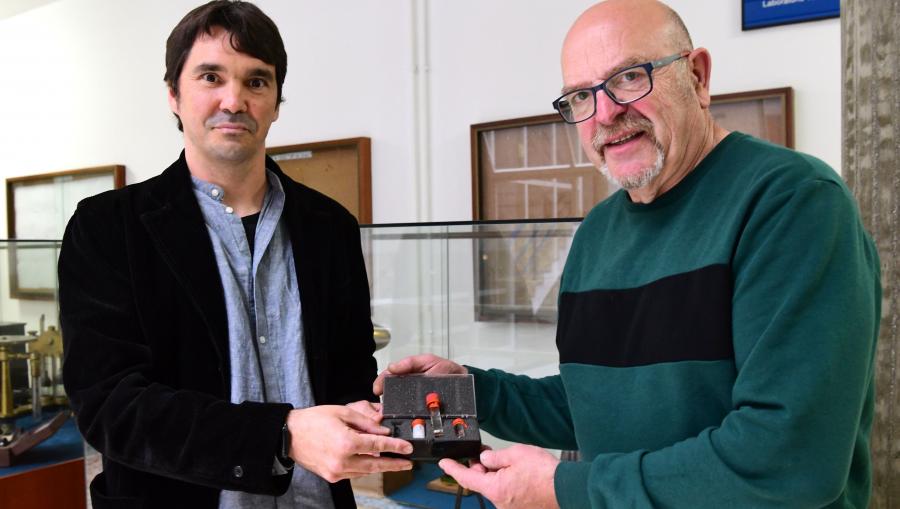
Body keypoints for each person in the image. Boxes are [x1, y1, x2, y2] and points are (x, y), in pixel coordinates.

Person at [374, 0, 881, 508]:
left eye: (630, 77)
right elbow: (595, 407)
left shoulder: (791, 203)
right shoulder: (597, 233)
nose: (607, 112)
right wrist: (475, 392)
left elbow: (789, 459)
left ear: (698, 77)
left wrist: (562, 489)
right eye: (581, 96)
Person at [59, 1, 412, 508]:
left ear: (275, 102)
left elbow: (348, 376)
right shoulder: (108, 228)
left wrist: (400, 404)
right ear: (173, 94)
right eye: (211, 77)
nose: (234, 100)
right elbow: (111, 408)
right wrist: (281, 435)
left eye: (256, 81)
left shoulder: (330, 226)